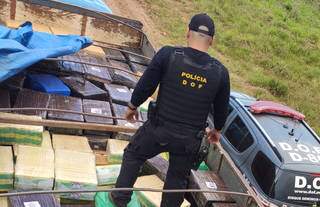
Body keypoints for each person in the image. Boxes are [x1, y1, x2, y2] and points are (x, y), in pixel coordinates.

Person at [110, 13, 230, 207]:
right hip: (189, 140)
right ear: (212, 41)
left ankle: (119, 199)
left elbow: (146, 85)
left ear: (187, 33)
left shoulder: (168, 55)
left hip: (158, 130)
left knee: (133, 154)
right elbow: (222, 108)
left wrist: (132, 107)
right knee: (177, 179)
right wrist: (217, 131)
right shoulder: (220, 72)